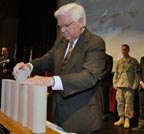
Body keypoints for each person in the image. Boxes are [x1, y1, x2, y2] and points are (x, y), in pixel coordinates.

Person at [13, 3, 106, 133]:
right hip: (59, 115)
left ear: (80, 22)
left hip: (83, 117)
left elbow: (89, 77)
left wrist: (50, 81)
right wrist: (29, 66)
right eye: (59, 26)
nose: (62, 30)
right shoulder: (61, 42)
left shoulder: (95, 43)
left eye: (66, 25)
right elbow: (47, 59)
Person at [113, 44, 139, 128]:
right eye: (122, 50)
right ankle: (121, 118)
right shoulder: (119, 61)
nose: (124, 51)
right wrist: (114, 83)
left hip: (129, 86)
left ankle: (127, 119)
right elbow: (116, 74)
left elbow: (137, 74)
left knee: (129, 103)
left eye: (125, 49)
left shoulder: (133, 61)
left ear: (129, 50)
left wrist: (135, 84)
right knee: (120, 102)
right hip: (120, 85)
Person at [98, 53, 113, 120]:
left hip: (104, 81)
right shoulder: (96, 56)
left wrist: (100, 77)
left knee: (104, 99)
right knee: (98, 99)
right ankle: (99, 113)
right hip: (96, 81)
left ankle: (105, 114)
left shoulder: (109, 58)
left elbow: (108, 70)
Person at [132, 56, 144, 131]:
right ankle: (141, 126)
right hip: (142, 88)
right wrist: (141, 82)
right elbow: (138, 73)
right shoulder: (142, 59)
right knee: (142, 108)